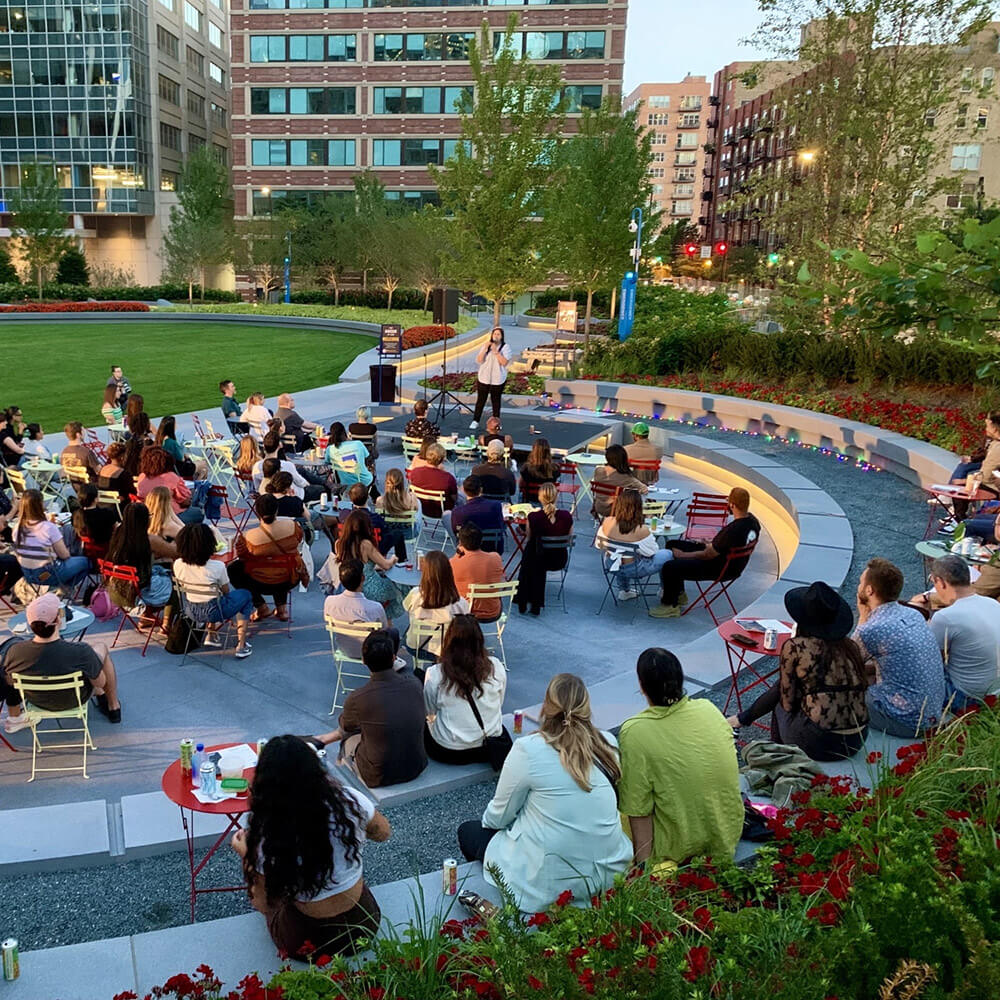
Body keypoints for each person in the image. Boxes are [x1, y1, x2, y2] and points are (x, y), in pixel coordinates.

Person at [457, 673, 631, 913]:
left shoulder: (529, 749)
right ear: (587, 708)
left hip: (547, 885)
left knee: (469, 831)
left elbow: (498, 816)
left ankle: (506, 900)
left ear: (547, 706)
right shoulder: (608, 744)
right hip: (608, 874)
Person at [231, 735, 389, 959]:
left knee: (277, 895)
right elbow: (384, 833)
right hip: (363, 923)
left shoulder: (267, 832)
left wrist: (248, 854)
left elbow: (263, 903)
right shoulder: (351, 801)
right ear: (318, 770)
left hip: (308, 941)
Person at [620, 648, 743, 869]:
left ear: (641, 685)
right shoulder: (708, 708)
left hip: (677, 849)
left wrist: (643, 868)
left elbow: (638, 808)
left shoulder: (635, 731)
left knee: (619, 804)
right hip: (725, 837)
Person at [726, 582, 869, 760]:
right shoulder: (850, 647)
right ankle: (741, 720)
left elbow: (787, 704)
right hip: (857, 739)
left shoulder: (797, 647)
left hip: (821, 743)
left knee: (780, 697)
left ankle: (777, 757)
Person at [309, 630, 426, 787]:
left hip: (378, 775)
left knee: (350, 737)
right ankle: (322, 739)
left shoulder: (358, 697)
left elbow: (347, 727)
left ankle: (326, 746)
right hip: (416, 766)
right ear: (393, 658)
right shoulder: (415, 683)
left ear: (363, 660)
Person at [1, 592, 123, 731]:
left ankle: (105, 696)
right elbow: (100, 683)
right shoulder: (81, 651)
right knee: (100, 649)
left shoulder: (14, 652)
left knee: (93, 656)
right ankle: (113, 706)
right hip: (75, 699)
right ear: (58, 620)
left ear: (29, 624)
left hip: (37, 702)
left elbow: (10, 682)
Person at [854, 558, 945, 736]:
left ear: (869, 590)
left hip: (908, 720)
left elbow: (847, 662)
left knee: (842, 694)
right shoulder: (913, 614)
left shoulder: (872, 629)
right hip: (933, 710)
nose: (858, 586)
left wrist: (862, 617)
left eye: (860, 582)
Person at [650, 486, 760, 618]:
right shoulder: (753, 522)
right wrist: (709, 543)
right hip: (731, 563)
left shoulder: (733, 529)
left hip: (718, 567)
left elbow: (708, 554)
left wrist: (684, 555)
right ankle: (678, 593)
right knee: (672, 544)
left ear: (732, 505)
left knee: (670, 566)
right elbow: (723, 545)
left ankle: (669, 605)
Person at [423, 614, 507, 764]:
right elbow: (499, 702)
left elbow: (429, 711)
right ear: (480, 640)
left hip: (450, 750)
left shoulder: (436, 673)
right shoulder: (495, 666)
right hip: (489, 745)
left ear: (449, 640)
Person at [924, 554, 1000, 709]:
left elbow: (931, 662)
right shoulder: (993, 604)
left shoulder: (945, 617)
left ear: (941, 582)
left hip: (966, 696)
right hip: (995, 691)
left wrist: (924, 630)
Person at [173, 522, 253, 658]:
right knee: (245, 595)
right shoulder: (217, 566)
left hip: (190, 610)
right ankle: (241, 645)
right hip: (214, 612)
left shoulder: (177, 563)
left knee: (212, 597)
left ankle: (212, 634)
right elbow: (226, 592)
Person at [228, 494, 303, 622]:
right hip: (290, 578)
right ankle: (282, 609)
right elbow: (299, 540)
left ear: (257, 512)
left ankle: (261, 606)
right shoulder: (293, 526)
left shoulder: (248, 537)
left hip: (260, 583)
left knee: (233, 569)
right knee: (280, 562)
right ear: (277, 510)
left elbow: (242, 557)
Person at [598, 488, 671, 601]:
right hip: (633, 569)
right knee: (667, 554)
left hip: (610, 565)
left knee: (621, 553)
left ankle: (624, 590)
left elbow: (599, 544)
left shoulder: (607, 521)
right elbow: (652, 552)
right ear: (638, 507)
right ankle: (664, 590)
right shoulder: (641, 529)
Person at [13, 489, 90, 594]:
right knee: (86, 562)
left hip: (28, 574)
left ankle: (62, 589)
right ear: (40, 505)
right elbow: (64, 555)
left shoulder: (17, 527)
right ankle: (65, 588)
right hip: (48, 574)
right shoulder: (48, 527)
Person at [104, 503, 174, 613]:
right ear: (145, 519)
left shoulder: (118, 534)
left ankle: (147, 617)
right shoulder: (149, 540)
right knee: (177, 586)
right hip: (140, 593)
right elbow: (175, 552)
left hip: (118, 589)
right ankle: (166, 623)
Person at [334, 510, 403, 621]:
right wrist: (394, 559)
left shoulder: (339, 543)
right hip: (370, 587)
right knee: (402, 589)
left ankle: (381, 619)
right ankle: (384, 617)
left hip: (349, 585)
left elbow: (356, 565)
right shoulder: (365, 544)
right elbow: (386, 565)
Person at [516, 482, 573, 615]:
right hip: (558, 559)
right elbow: (569, 538)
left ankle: (524, 600)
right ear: (556, 497)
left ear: (540, 498)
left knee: (531, 551)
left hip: (537, 560)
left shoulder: (533, 517)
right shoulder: (566, 516)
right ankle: (535, 604)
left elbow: (529, 538)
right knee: (535, 551)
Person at [403, 550, 469, 662]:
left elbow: (406, 609)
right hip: (448, 650)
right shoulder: (461, 602)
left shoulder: (415, 594)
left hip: (417, 647)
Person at [951, 411, 1000, 522]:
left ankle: (961, 522)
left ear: (994, 428)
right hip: (991, 482)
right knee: (963, 469)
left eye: (987, 426)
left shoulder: (998, 449)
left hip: (994, 488)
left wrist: (965, 481)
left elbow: (987, 476)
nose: (985, 429)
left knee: (959, 488)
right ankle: (960, 519)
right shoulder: (995, 443)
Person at [450, 523, 505, 620]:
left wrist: (458, 553)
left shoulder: (454, 562)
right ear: (481, 541)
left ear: (460, 543)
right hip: (493, 611)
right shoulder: (496, 558)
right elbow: (502, 583)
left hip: (465, 611)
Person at [136, 446, 203, 524]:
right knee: (198, 512)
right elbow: (183, 499)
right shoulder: (170, 477)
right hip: (171, 515)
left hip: (149, 514)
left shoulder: (142, 476)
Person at [338, 483, 404, 560]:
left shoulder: (344, 515)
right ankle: (401, 561)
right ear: (367, 498)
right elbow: (384, 533)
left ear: (350, 498)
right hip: (375, 550)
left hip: (352, 547)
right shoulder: (376, 518)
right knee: (397, 533)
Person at [252, 432, 318, 500]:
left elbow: (257, 487)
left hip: (268, 496)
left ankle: (323, 482)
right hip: (294, 495)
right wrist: (308, 484)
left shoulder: (256, 466)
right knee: (320, 489)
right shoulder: (286, 465)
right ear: (279, 445)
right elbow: (300, 482)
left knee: (302, 471)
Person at [450, 476, 505, 554]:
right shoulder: (496, 506)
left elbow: (456, 531)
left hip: (466, 549)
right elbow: (501, 526)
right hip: (492, 548)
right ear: (481, 489)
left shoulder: (457, 511)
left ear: (463, 490)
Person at [470, 326, 512, 428]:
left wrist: (496, 352)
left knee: (496, 402)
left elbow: (504, 362)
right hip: (484, 377)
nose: (496, 336)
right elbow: (479, 360)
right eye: (494, 334)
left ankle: (496, 423)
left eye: (498, 334)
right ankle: (475, 420)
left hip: (498, 379)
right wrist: (485, 349)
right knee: (481, 400)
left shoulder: (505, 347)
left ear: (501, 336)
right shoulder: (486, 346)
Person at [590, 445, 647, 519]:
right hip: (615, 510)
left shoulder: (598, 471)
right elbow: (644, 489)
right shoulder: (626, 478)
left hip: (599, 507)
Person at [407, 443, 458, 521]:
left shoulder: (415, 472)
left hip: (421, 509)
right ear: (441, 459)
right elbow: (455, 498)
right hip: (442, 511)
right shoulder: (448, 478)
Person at [325, 422, 374, 495]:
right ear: (345, 433)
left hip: (346, 484)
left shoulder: (330, 449)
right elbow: (368, 459)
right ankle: (375, 496)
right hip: (365, 481)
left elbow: (327, 462)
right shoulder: (358, 444)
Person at [155, 416, 207, 480]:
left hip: (170, 468)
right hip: (180, 469)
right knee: (204, 465)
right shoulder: (172, 443)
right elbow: (181, 459)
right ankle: (199, 486)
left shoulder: (159, 440)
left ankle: (197, 484)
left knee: (203, 471)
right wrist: (186, 456)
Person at [375, 468, 420, 541]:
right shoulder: (411, 498)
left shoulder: (380, 500)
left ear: (386, 483)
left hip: (388, 533)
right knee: (418, 503)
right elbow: (416, 510)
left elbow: (380, 518)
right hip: (408, 534)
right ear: (402, 483)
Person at [72, 483, 118, 551]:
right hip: (106, 549)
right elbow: (116, 529)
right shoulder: (106, 513)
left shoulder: (76, 515)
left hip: (87, 550)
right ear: (96, 499)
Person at [144, 485, 183, 563]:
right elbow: (187, 534)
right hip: (165, 565)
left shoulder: (146, 521)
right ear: (168, 503)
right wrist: (171, 513)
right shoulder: (168, 526)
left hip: (150, 563)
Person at [517, 438, 559, 502]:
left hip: (530, 499)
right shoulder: (555, 469)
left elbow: (520, 486)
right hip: (547, 500)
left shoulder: (527, 468)